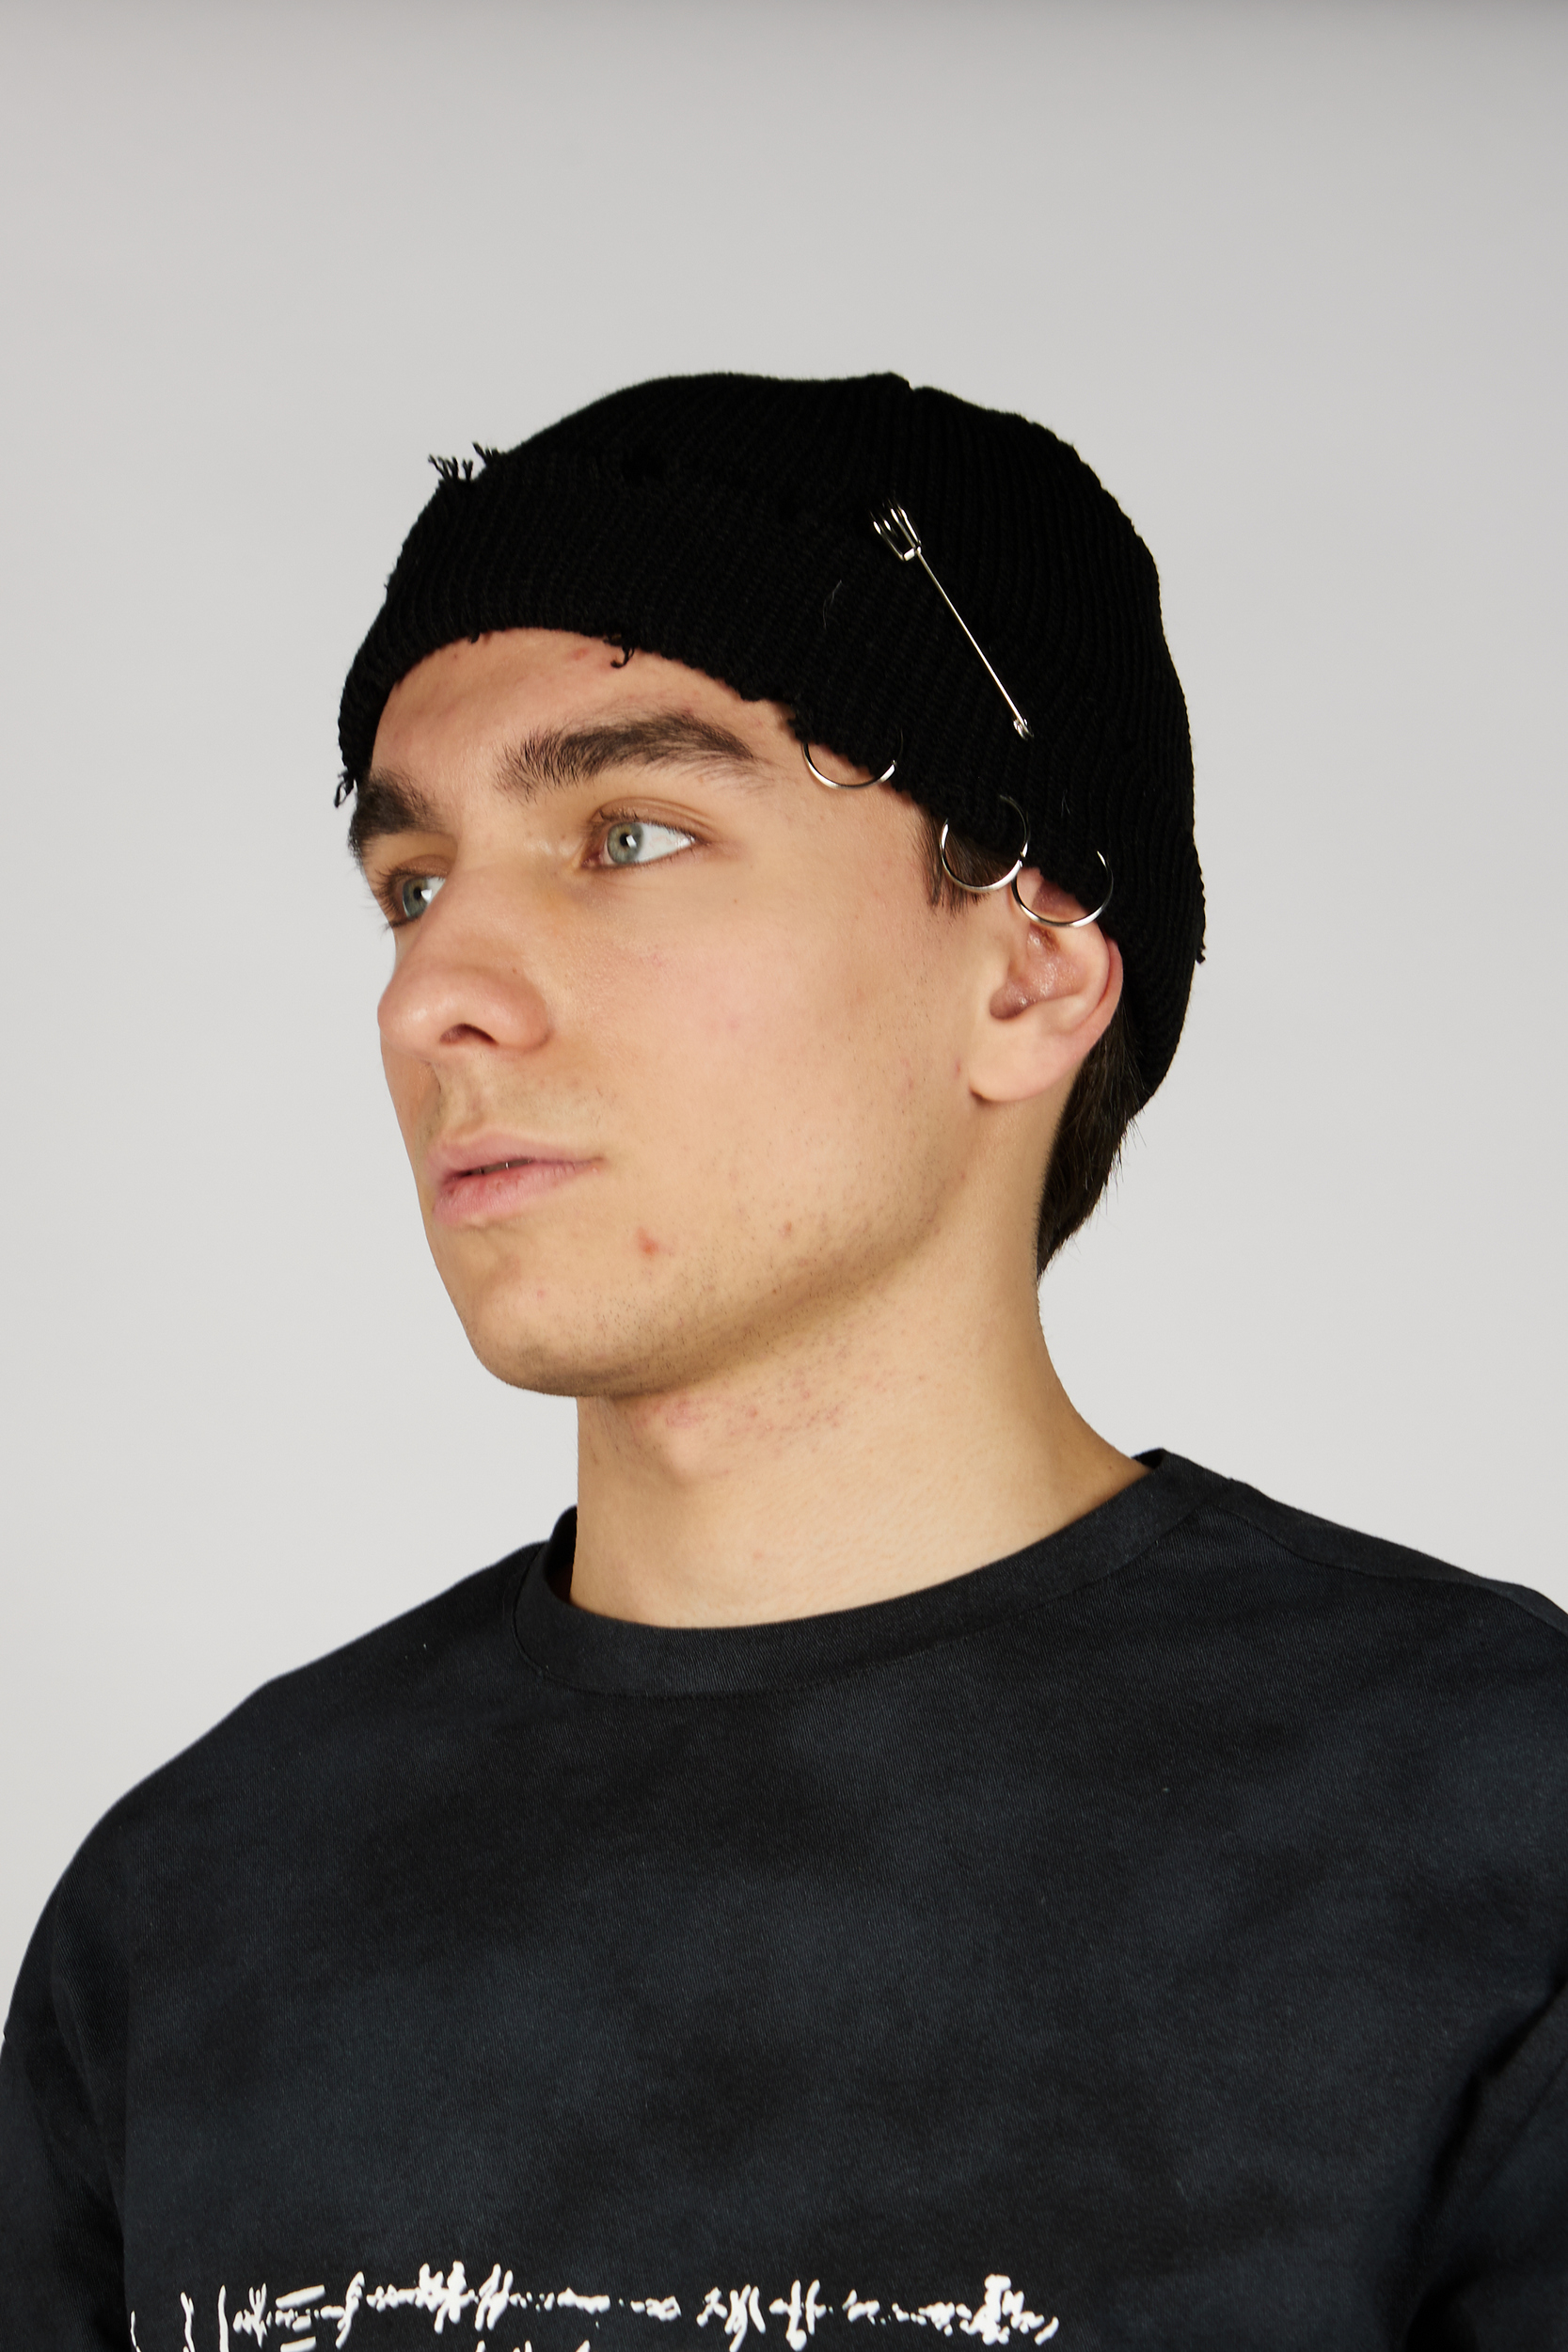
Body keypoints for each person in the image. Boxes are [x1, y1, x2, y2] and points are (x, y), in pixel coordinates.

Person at [2, 373, 1563, 2352]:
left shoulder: (1494, 1837)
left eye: (628, 833)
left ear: (1029, 969)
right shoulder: (195, 1907)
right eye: (412, 885)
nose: (431, 992)